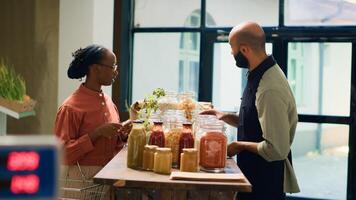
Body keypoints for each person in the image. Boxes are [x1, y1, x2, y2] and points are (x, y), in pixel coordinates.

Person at [201, 22, 300, 199]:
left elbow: (276, 149)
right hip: (252, 176)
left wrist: (238, 146)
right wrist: (223, 116)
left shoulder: (269, 88)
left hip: (264, 184)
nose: (231, 53)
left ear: (245, 50)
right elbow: (256, 120)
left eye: (232, 48)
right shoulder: (259, 72)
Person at [54, 44, 131, 199]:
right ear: (95, 68)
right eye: (113, 66)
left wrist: (123, 135)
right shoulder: (71, 107)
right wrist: (96, 134)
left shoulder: (109, 103)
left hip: (105, 178)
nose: (116, 71)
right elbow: (61, 155)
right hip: (78, 182)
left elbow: (112, 145)